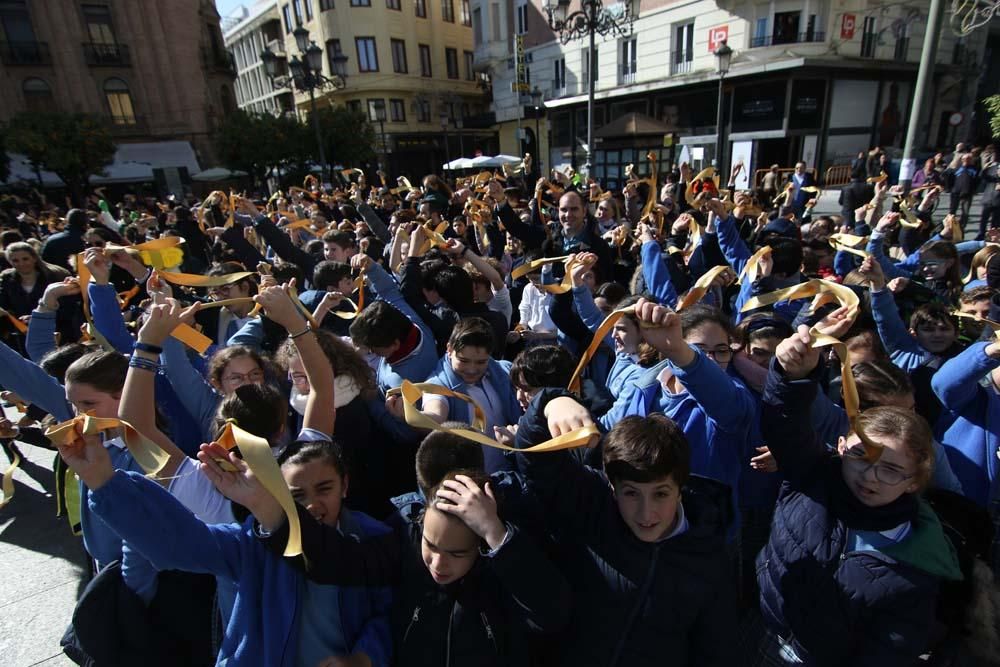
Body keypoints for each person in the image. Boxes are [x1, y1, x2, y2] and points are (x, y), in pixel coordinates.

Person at [756, 325, 962, 664]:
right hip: (765, 632)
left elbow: (889, 650)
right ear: (840, 447)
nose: (870, 476)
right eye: (860, 456)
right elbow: (786, 423)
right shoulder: (812, 477)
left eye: (892, 469)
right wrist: (791, 375)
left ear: (914, 481)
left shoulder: (918, 564)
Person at [511, 381, 738, 665]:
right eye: (631, 493)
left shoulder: (708, 556)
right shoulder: (593, 508)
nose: (646, 514)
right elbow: (536, 464)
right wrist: (552, 401)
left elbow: (714, 651)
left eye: (660, 494)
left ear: (681, 487)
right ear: (612, 486)